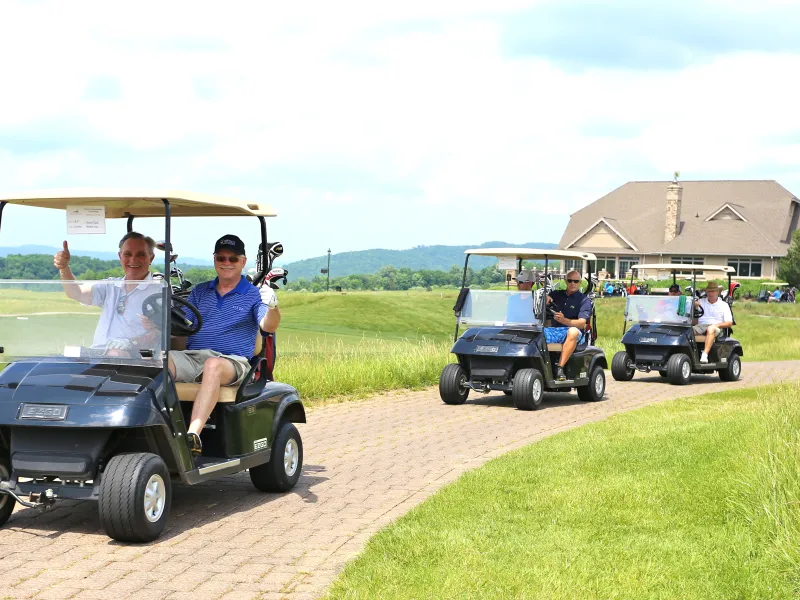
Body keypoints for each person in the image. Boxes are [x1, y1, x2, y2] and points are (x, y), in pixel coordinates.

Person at [169, 234, 281, 457]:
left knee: (213, 365)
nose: (226, 262)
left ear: (242, 261)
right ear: (214, 260)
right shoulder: (201, 291)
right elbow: (182, 322)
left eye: (232, 258)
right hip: (194, 357)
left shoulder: (252, 294)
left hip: (233, 362)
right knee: (161, 361)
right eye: (221, 257)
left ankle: (192, 436)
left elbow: (268, 325)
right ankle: (158, 427)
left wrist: (273, 307)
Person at [53, 232, 159, 355]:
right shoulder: (111, 286)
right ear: (120, 256)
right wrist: (64, 268)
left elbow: (160, 334)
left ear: (151, 258)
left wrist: (131, 343)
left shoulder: (158, 292)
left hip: (135, 359)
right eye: (127, 254)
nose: (133, 259)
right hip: (99, 354)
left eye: (140, 255)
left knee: (116, 354)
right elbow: (76, 293)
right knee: (66, 354)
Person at [546, 270, 593, 381]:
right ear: (565, 281)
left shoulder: (584, 300)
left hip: (574, 333)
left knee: (573, 331)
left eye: (576, 281)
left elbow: (582, 323)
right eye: (570, 281)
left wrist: (564, 320)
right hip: (554, 330)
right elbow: (544, 302)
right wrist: (546, 299)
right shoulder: (556, 294)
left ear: (580, 282)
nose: (573, 283)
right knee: (535, 332)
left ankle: (560, 368)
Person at [694, 282, 734, 363]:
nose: (710, 293)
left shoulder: (724, 305)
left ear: (717, 292)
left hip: (717, 327)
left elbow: (729, 322)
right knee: (687, 331)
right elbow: (694, 316)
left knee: (711, 329)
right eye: (709, 291)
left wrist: (716, 325)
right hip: (701, 326)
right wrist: (694, 306)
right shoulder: (701, 301)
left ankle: (704, 355)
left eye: (713, 291)